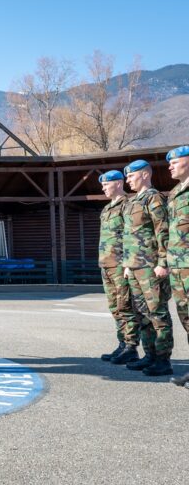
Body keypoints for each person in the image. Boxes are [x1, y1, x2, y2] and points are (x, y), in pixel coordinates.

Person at [122, 159, 173, 376]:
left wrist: (163, 263)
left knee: (157, 313)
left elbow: (163, 231)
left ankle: (163, 360)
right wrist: (127, 264)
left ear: (144, 174)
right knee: (143, 314)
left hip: (150, 267)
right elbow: (129, 237)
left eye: (131, 176)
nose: (128, 180)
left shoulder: (153, 198)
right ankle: (150, 355)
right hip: (134, 267)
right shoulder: (133, 201)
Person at [97, 171, 140, 365]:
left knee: (125, 306)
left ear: (119, 183)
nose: (103, 187)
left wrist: (127, 264)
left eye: (107, 184)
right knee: (115, 307)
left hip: (120, 265)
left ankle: (131, 347)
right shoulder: (107, 209)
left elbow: (131, 237)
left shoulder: (128, 206)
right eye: (103, 185)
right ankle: (122, 344)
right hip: (106, 265)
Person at [166, 145, 189, 388]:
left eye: (175, 161)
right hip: (179, 266)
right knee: (186, 318)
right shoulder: (174, 193)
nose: (170, 165)